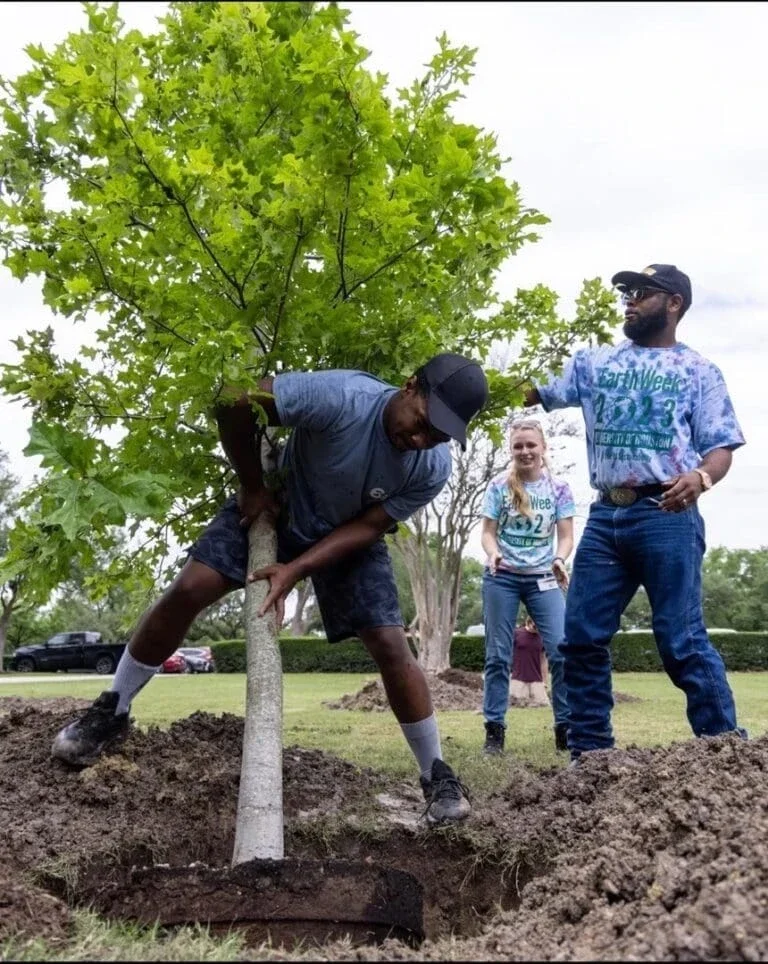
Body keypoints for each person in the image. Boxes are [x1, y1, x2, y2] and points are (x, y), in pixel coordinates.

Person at [52, 353, 490, 825]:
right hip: (278, 503)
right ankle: (112, 709)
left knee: (389, 641)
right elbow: (233, 400)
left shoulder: (432, 467)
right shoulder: (341, 396)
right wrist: (253, 486)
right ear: (409, 387)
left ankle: (435, 773)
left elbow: (370, 526)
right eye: (422, 423)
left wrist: (297, 568)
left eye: (437, 437)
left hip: (345, 537)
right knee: (189, 589)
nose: (420, 441)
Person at [524, 263, 746, 761]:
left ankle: (726, 757)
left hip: (666, 514)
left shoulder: (699, 371)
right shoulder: (594, 363)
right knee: (579, 639)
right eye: (627, 292)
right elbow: (531, 391)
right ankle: (591, 758)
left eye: (642, 292)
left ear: (674, 304)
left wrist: (701, 477)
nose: (629, 299)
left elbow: (721, 447)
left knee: (681, 640)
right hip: (606, 518)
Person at [480, 418, 575, 755]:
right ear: (512, 450)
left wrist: (560, 560)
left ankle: (565, 729)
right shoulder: (498, 487)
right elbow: (488, 533)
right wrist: (493, 554)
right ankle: (495, 733)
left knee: (563, 650)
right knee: (497, 656)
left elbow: (565, 537)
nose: (525, 451)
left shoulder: (559, 489)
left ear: (543, 448)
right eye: (518, 446)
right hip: (501, 577)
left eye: (531, 445)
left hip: (543, 577)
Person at [509, 615, 551, 709]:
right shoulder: (517, 633)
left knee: (543, 705)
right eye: (535, 626)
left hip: (536, 679)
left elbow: (543, 660)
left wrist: (545, 681)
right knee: (517, 705)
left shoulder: (542, 637)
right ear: (530, 622)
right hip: (518, 678)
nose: (537, 629)